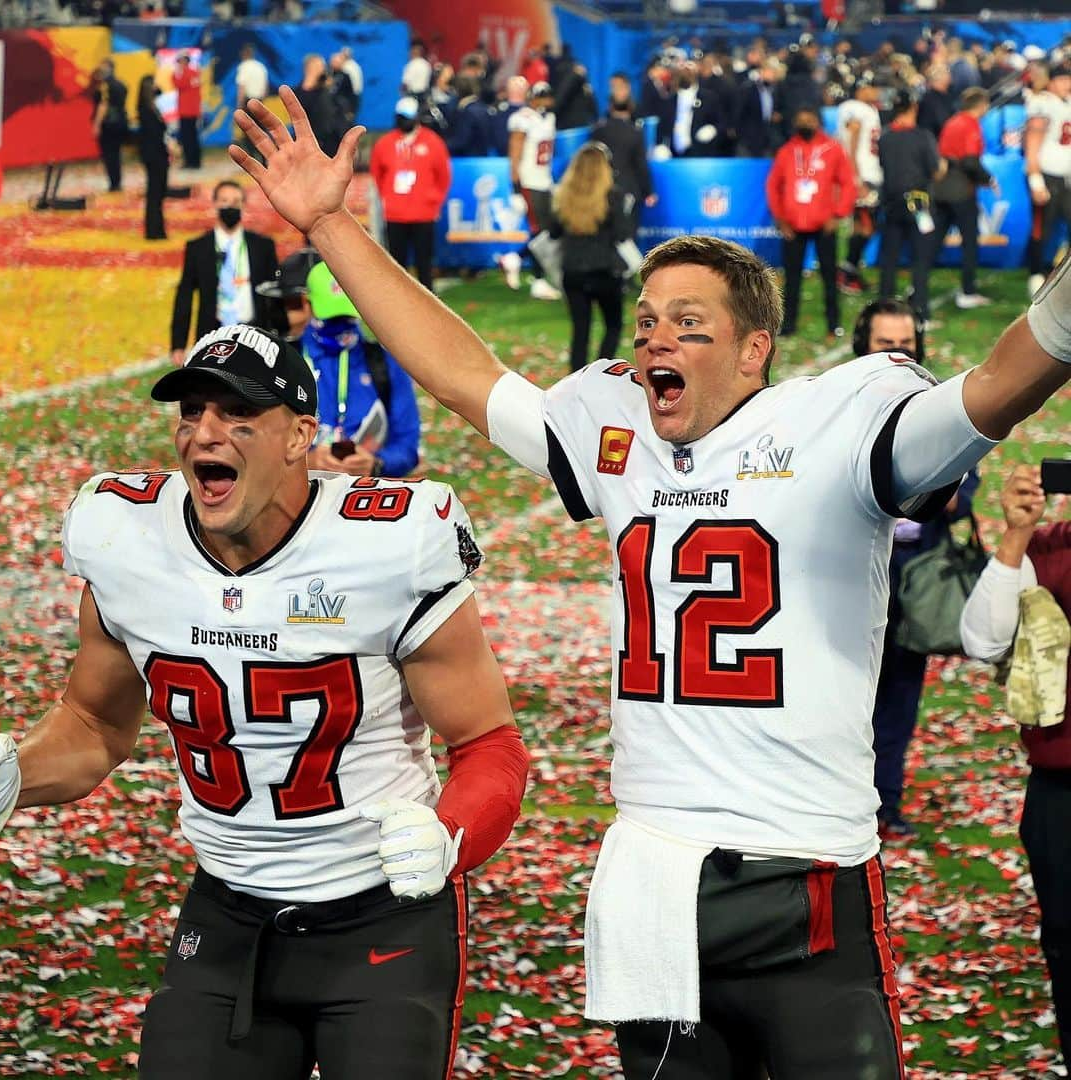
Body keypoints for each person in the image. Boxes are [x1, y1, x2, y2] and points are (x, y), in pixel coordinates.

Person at [230, 85, 1071, 1080]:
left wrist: (1061, 308)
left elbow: (993, 388)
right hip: (655, 874)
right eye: (646, 320)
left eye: (687, 322)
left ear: (756, 349)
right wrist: (330, 225)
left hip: (808, 864)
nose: (654, 338)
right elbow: (462, 372)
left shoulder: (845, 419)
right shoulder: (615, 427)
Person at [0, 324, 529, 1078]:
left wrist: (450, 835)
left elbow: (488, 746)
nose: (205, 433)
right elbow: (92, 724)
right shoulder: (126, 538)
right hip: (226, 913)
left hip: (381, 918)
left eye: (238, 415)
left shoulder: (387, 545)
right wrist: (16, 771)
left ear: (300, 436)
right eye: (192, 413)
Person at [850, 298, 980, 839]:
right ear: (864, 348)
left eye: (907, 344)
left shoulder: (939, 406)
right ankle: (845, 801)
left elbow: (964, 493)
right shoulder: (838, 406)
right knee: (846, 695)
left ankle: (887, 803)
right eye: (887, 345)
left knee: (901, 695)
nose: (900, 355)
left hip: (915, 568)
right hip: (854, 571)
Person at [961, 464, 1071, 1063]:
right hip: (1062, 788)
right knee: (1067, 946)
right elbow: (982, 640)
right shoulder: (1048, 549)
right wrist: (1015, 535)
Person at [300, 260, 422, 477]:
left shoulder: (383, 363)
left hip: (363, 501)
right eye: (332, 318)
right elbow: (260, 449)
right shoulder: (287, 361)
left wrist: (376, 464)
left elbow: (407, 446)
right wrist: (305, 461)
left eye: (347, 317)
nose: (341, 327)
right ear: (307, 305)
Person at [170, 180, 283, 366]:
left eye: (235, 201)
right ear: (215, 204)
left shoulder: (262, 246)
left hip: (255, 334)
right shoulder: (198, 248)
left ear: (243, 205)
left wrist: (282, 334)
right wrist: (178, 344)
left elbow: (274, 292)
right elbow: (185, 296)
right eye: (224, 201)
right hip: (212, 335)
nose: (230, 206)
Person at [766, 106, 855, 339]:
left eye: (810, 119)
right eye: (801, 119)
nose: (805, 123)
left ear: (818, 121)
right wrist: (780, 218)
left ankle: (833, 322)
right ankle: (788, 325)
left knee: (828, 276)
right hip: (793, 225)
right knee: (792, 278)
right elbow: (773, 186)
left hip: (824, 224)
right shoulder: (787, 151)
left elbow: (847, 183)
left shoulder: (832, 149)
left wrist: (838, 214)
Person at [547, 142, 627, 374]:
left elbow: (553, 232)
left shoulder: (563, 196)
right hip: (605, 271)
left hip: (572, 272)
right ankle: (602, 375)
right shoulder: (613, 195)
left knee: (580, 329)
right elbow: (622, 234)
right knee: (613, 325)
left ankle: (576, 380)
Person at [369, 97, 451, 295]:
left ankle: (428, 297)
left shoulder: (432, 142)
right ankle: (399, 298)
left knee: (424, 260)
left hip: (424, 212)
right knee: (397, 261)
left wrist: (434, 202)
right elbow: (377, 174)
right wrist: (388, 198)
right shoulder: (385, 143)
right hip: (395, 213)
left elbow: (444, 176)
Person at [877, 91, 944, 324]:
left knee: (889, 260)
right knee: (921, 261)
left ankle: (883, 309)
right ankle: (921, 312)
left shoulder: (884, 138)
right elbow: (936, 170)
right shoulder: (923, 137)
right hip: (919, 205)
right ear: (913, 108)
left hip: (892, 204)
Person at [932, 87, 995, 311]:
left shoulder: (952, 122)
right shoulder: (970, 125)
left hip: (941, 188)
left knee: (934, 239)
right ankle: (968, 291)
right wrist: (989, 178)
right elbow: (969, 161)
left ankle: (917, 286)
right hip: (961, 190)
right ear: (981, 105)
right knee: (970, 241)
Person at [501, 81, 562, 300]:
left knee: (550, 230)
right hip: (529, 182)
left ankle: (515, 259)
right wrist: (515, 188)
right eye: (541, 96)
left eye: (548, 96)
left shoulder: (549, 118)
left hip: (544, 180)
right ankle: (537, 281)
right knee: (540, 233)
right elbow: (515, 155)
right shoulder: (522, 119)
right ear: (532, 97)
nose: (546, 101)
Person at [1025, 62, 1071, 300]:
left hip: (1066, 177)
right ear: (1051, 82)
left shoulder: (1067, 103)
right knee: (1044, 228)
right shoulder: (1043, 103)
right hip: (1047, 174)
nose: (1068, 84)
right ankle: (1036, 275)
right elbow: (1032, 143)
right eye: (1063, 80)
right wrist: (1035, 180)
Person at [592, 75, 656, 239]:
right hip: (629, 190)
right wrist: (648, 191)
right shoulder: (635, 132)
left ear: (610, 106)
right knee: (627, 236)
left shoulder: (599, 130)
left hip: (603, 188)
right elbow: (640, 164)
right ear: (630, 107)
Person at [836, 77, 883, 295]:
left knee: (862, 225)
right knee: (866, 225)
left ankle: (850, 272)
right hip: (862, 173)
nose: (877, 92)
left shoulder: (867, 109)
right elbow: (851, 140)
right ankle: (847, 272)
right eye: (872, 87)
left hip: (868, 171)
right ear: (862, 89)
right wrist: (855, 177)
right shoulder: (855, 109)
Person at [137, 74, 171, 241]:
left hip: (157, 154)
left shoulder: (152, 108)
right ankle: (153, 230)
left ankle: (157, 229)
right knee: (155, 193)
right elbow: (155, 134)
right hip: (155, 155)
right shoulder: (146, 111)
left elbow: (161, 92)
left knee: (158, 193)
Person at [90, 58, 127, 193]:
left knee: (109, 155)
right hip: (120, 122)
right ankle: (117, 181)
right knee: (116, 154)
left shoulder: (105, 86)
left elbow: (103, 106)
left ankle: (114, 183)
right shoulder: (121, 84)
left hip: (109, 124)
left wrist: (97, 124)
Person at [295, 55, 341, 158]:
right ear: (311, 68)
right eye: (321, 66)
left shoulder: (327, 92)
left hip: (330, 143)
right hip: (309, 144)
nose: (324, 70)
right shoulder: (298, 93)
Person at [172, 51, 203, 170]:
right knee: (192, 137)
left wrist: (176, 74)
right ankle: (195, 161)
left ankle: (191, 162)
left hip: (187, 111)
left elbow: (179, 84)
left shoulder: (185, 73)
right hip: (191, 111)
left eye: (180, 61)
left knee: (188, 138)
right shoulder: (194, 73)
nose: (179, 64)